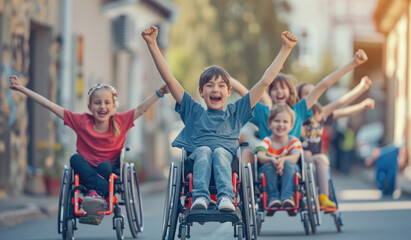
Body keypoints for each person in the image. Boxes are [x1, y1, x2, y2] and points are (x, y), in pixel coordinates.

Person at [141, 26, 297, 212]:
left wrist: (285, 49)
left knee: (220, 152)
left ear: (229, 92)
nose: (216, 89)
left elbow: (264, 82)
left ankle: (225, 198)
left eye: (221, 86)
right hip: (197, 163)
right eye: (210, 85)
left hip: (228, 164)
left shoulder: (236, 112)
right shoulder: (193, 111)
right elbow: (170, 79)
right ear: (201, 91)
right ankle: (200, 196)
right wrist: (152, 44)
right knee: (205, 150)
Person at [9, 75, 169, 217]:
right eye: (97, 103)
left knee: (105, 166)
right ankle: (96, 195)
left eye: (107, 103)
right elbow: (51, 106)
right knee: (75, 160)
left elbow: (141, 109)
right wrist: (22, 89)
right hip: (86, 172)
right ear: (90, 106)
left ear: (114, 106)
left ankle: (96, 195)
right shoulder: (81, 121)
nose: (102, 107)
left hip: (109, 172)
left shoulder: (120, 121)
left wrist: (159, 93)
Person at [231, 50, 368, 166]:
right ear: (269, 93)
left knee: (309, 158)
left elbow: (324, 85)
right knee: (246, 152)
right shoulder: (263, 112)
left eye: (283, 88)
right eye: (275, 89)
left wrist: (353, 63)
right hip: (266, 162)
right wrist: (224, 78)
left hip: (292, 163)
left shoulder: (299, 110)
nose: (279, 92)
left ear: (291, 92)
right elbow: (244, 91)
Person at [298, 76, 374, 207]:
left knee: (321, 161)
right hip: (299, 155)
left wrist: (362, 104)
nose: (311, 96)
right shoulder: (296, 115)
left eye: (313, 93)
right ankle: (307, 194)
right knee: (308, 157)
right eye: (306, 94)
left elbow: (341, 108)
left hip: (316, 155)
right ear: (299, 98)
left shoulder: (319, 115)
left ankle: (323, 196)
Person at [256, 105, 302, 210]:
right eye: (277, 121)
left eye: (285, 121)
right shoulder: (267, 141)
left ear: (291, 126)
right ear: (269, 124)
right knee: (268, 165)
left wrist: (282, 160)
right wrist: (272, 159)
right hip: (270, 173)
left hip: (290, 172)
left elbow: (295, 157)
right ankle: (273, 198)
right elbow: (260, 156)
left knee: (289, 164)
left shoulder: (293, 141)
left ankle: (288, 197)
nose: (281, 124)